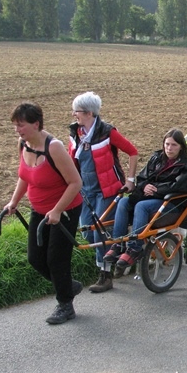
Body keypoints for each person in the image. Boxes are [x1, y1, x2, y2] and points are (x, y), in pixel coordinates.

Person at [5, 102, 83, 325]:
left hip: (64, 209)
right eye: (16, 126)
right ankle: (67, 286)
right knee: (36, 259)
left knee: (56, 259)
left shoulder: (54, 147)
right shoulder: (24, 144)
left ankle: (65, 304)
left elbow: (75, 182)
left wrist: (58, 210)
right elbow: (25, 175)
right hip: (40, 210)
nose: (17, 130)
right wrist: (14, 201)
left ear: (36, 124)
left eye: (21, 125)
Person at [69, 91, 138, 293]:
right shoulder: (75, 134)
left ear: (90, 113)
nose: (74, 115)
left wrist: (130, 180)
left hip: (106, 190)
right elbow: (71, 160)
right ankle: (120, 248)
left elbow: (132, 151)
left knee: (100, 232)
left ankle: (105, 275)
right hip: (84, 190)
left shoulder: (107, 132)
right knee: (87, 231)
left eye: (77, 111)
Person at [103, 129, 187, 272]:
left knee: (141, 206)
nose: (169, 148)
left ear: (181, 146)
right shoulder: (156, 158)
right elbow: (143, 177)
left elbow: (178, 186)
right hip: (150, 198)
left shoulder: (186, 165)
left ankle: (134, 248)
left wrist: (156, 189)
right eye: (167, 144)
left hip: (171, 204)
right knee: (123, 202)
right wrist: (145, 186)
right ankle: (118, 244)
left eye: (174, 145)